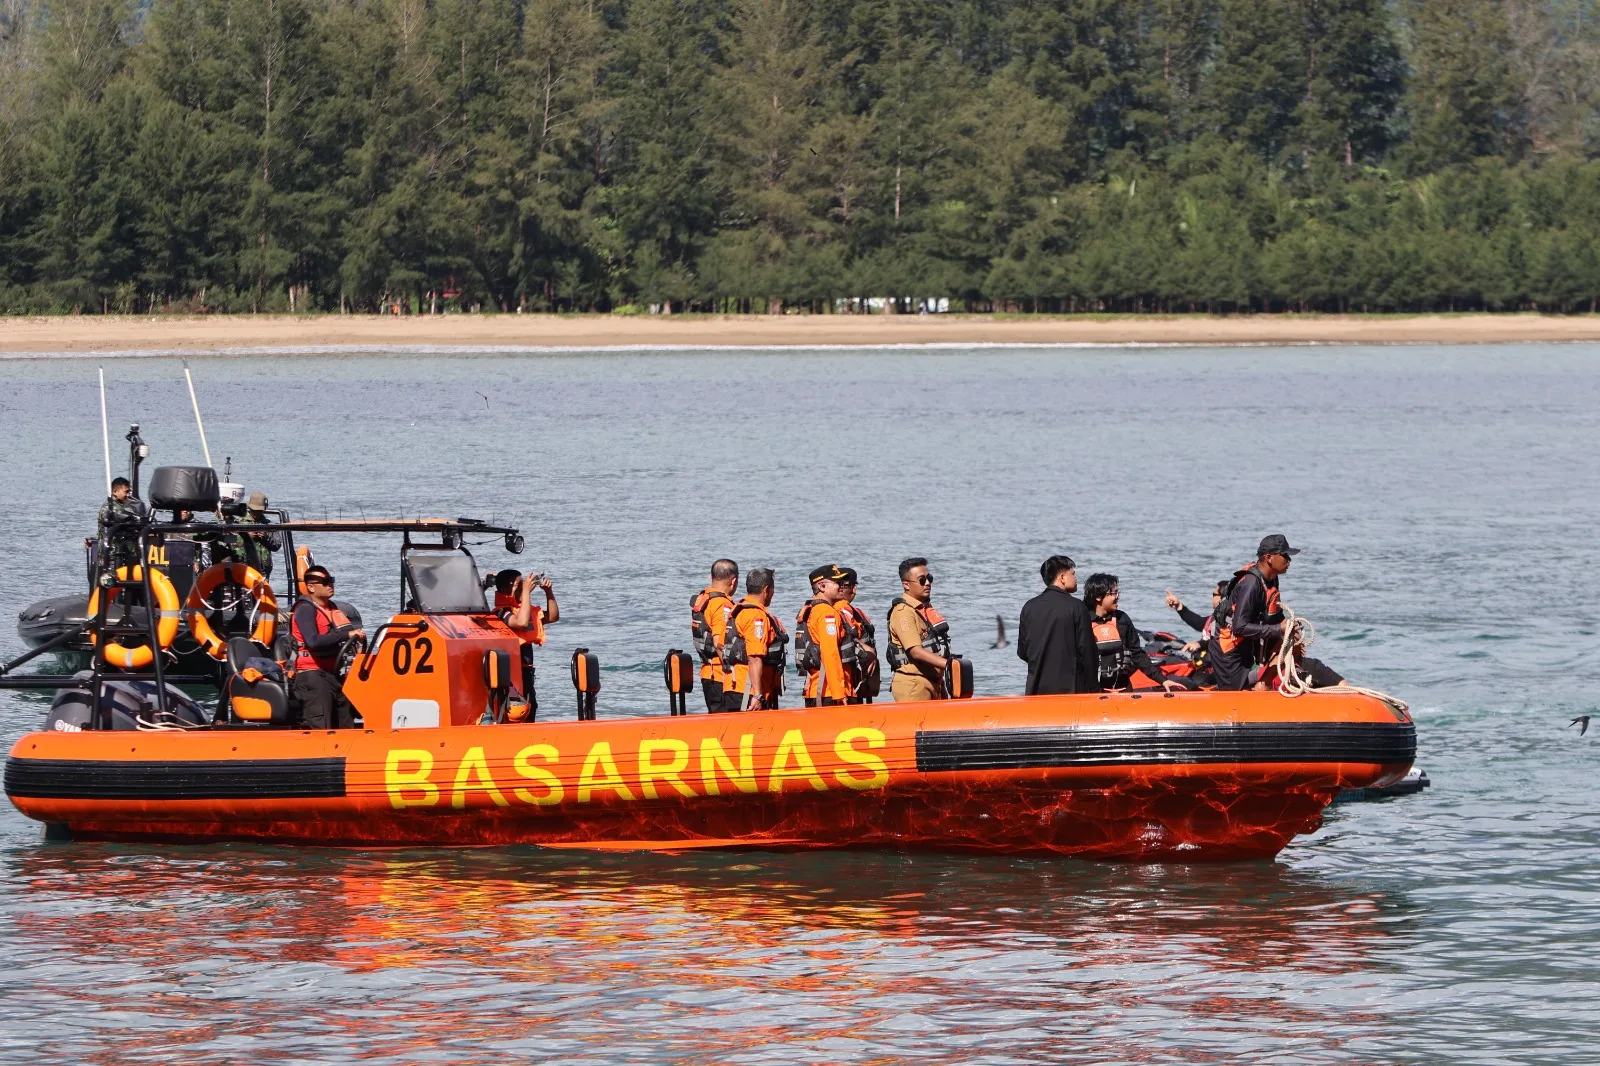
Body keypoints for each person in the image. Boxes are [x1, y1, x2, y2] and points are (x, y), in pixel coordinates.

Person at [290, 565, 366, 729]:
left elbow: (346, 635)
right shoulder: (305, 609)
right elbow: (313, 642)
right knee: (322, 722)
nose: (330, 585)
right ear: (310, 587)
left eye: (331, 580)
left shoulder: (332, 608)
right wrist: (347, 635)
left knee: (346, 716)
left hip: (333, 673)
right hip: (311, 675)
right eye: (325, 582)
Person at [1083, 573, 1182, 692]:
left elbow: (1137, 654)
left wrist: (1162, 680)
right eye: (1114, 593)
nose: (1118, 597)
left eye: (1118, 592)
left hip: (1123, 689)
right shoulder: (1082, 620)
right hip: (1093, 693)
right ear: (1098, 597)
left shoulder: (1122, 619)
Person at [1016, 554, 1097, 695]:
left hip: (1036, 692)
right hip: (1071, 692)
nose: (1076, 578)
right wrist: (1094, 689)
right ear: (1062, 577)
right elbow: (1087, 653)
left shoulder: (1029, 607)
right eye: (1073, 574)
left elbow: (1022, 652)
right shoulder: (1077, 607)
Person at [722, 568, 787, 711]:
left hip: (735, 686)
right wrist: (758, 695)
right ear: (767, 589)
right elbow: (754, 657)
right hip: (748, 692)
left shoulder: (739, 609)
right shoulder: (756, 616)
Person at [886, 557, 949, 702]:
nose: (927, 583)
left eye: (929, 578)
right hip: (913, 683)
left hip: (933, 681)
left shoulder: (923, 609)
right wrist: (950, 665)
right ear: (906, 585)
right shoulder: (903, 612)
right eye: (922, 580)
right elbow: (915, 651)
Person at [497, 570, 560, 710]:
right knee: (518, 709)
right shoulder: (502, 612)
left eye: (523, 584)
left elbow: (553, 617)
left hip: (526, 673)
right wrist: (526, 592)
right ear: (503, 589)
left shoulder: (525, 610)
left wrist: (548, 592)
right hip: (511, 676)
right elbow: (521, 623)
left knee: (531, 707)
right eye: (518, 585)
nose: (522, 588)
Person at [796, 564, 852, 707]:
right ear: (821, 587)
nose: (842, 586)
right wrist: (839, 693)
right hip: (828, 692)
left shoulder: (812, 609)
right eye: (837, 582)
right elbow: (830, 653)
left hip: (817, 689)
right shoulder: (827, 613)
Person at [690, 560, 739, 712]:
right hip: (720, 676)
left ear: (711, 578)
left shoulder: (705, 599)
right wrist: (731, 674)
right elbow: (719, 642)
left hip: (708, 672)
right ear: (734, 581)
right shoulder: (721, 605)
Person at [1163, 580, 1227, 685]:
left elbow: (1219, 641)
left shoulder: (1227, 621)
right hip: (1202, 665)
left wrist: (1199, 644)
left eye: (1214, 594)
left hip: (1214, 671)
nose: (1212, 597)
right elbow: (1198, 622)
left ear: (1222, 597)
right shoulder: (1214, 617)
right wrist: (1178, 606)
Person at [835, 568, 880, 703]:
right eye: (850, 586)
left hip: (850, 682)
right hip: (845, 684)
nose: (854, 590)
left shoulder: (852, 612)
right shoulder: (841, 611)